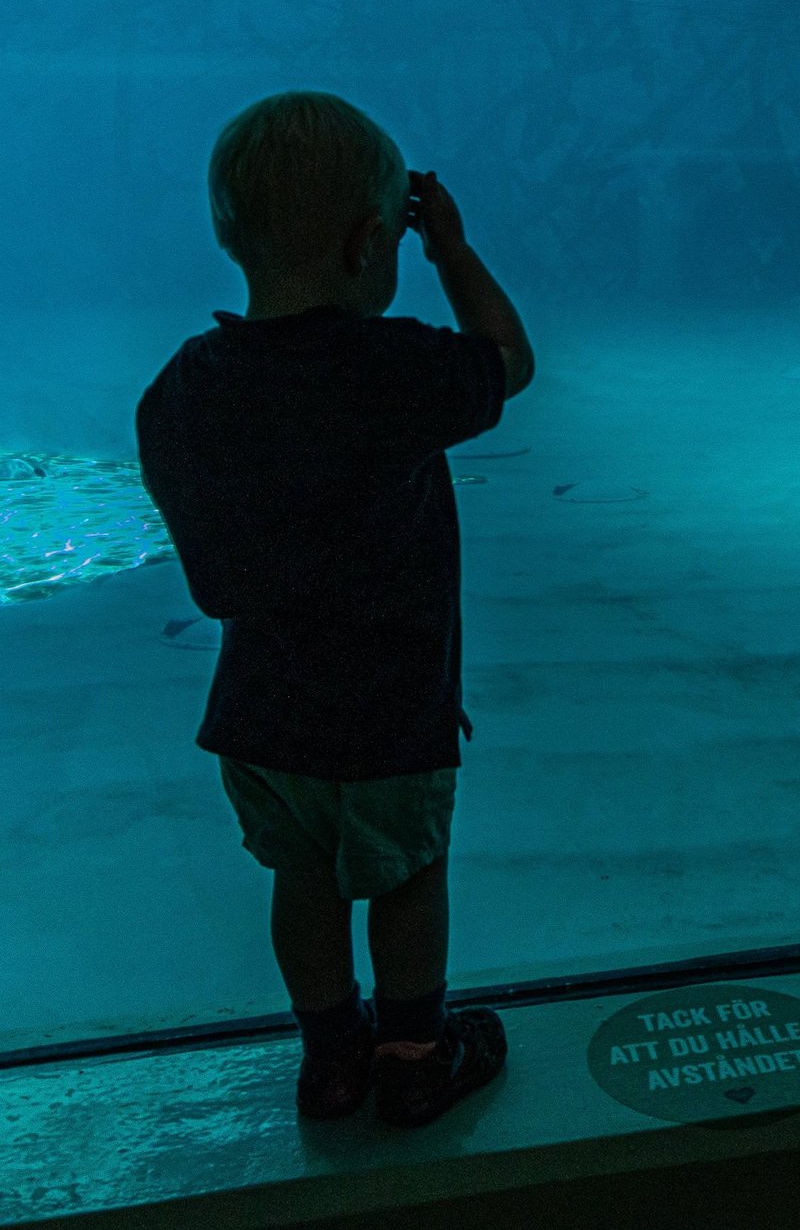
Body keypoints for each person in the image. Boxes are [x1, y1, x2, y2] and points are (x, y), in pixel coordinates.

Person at [135, 91, 535, 1127]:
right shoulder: (395, 369)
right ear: (374, 241)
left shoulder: (184, 385)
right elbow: (508, 359)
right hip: (395, 708)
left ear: (228, 235)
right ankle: (412, 1053)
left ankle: (329, 1060)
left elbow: (210, 577)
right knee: (407, 874)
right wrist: (451, 250)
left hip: (262, 712)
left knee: (301, 877)